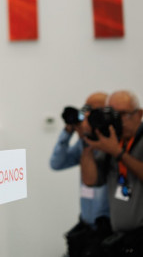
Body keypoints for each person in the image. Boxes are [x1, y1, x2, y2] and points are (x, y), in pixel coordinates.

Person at [81, 90, 143, 256]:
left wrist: (118, 153)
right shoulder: (113, 143)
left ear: (139, 114)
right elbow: (90, 180)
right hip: (123, 240)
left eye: (122, 114)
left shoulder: (121, 146)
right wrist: (88, 141)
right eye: (112, 114)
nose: (117, 120)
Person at [50, 92, 111, 257]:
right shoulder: (83, 142)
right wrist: (68, 132)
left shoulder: (112, 144)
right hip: (86, 224)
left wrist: (86, 141)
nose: (87, 115)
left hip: (107, 229)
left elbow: (91, 180)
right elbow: (56, 163)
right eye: (85, 109)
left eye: (93, 110)